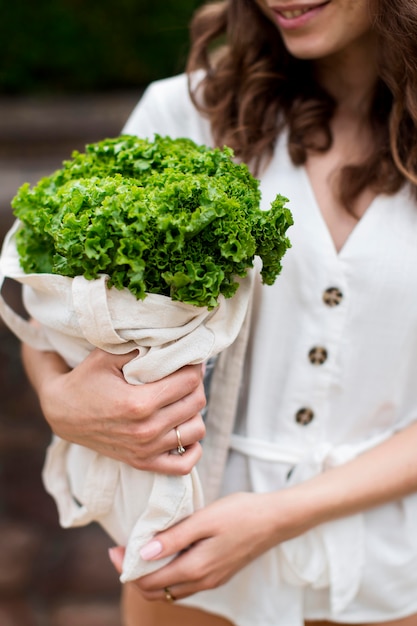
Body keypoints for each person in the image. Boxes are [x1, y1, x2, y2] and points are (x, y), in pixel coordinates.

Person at [21, 0, 417, 624]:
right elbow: (59, 305)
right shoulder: (187, 110)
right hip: (189, 566)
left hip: (387, 578)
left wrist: (280, 515)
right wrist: (59, 400)